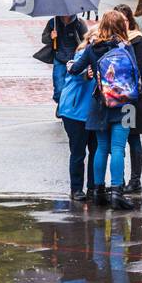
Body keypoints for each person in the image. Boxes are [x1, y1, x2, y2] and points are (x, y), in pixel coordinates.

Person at [67, 10, 137, 211]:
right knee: (118, 148)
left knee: (101, 147)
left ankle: (98, 191)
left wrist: (70, 63)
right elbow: (135, 73)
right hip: (125, 105)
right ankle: (117, 192)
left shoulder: (92, 48)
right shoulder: (126, 46)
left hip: (100, 103)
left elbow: (75, 68)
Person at [115, 4, 142, 196]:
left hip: (133, 98)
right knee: (118, 140)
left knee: (132, 136)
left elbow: (140, 69)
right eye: (118, 20)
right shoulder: (112, 39)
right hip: (117, 98)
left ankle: (135, 180)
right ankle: (119, 180)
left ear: (129, 20)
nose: (121, 24)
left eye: (124, 20)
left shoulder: (136, 40)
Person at [56, 41, 98, 201]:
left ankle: (93, 187)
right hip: (75, 112)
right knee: (78, 152)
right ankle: (76, 189)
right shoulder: (83, 54)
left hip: (93, 112)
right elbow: (77, 72)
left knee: (96, 151)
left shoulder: (103, 53)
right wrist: (86, 74)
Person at [43, 14, 88, 103]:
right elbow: (44, 39)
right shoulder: (53, 22)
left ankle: (66, 109)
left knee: (73, 89)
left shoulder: (79, 23)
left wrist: (80, 48)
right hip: (59, 59)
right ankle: (61, 104)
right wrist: (50, 37)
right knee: (58, 91)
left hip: (75, 61)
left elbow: (87, 40)